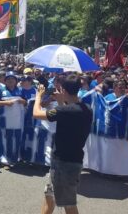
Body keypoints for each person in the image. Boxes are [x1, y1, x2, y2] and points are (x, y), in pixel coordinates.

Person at [33, 75, 92, 214]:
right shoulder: (86, 109)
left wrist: (38, 96)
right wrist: (61, 102)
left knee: (68, 204)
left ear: (64, 90)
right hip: (71, 160)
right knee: (49, 196)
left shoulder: (65, 111)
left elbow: (36, 113)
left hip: (63, 163)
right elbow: (67, 119)